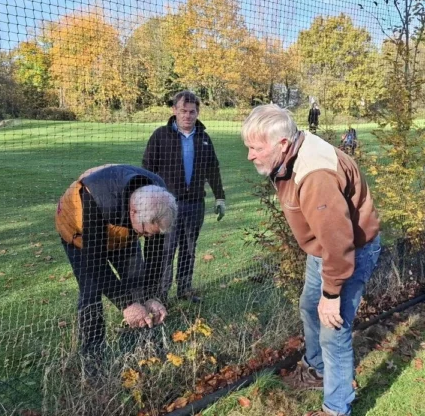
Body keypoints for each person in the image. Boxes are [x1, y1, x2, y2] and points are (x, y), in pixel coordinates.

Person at [241, 105, 381, 416]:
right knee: (308, 306)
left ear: (282, 144)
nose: (250, 155)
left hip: (347, 253)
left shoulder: (315, 174)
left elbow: (339, 242)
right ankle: (317, 370)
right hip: (323, 250)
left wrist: (331, 295)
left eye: (255, 148)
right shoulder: (289, 155)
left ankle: (336, 407)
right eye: (248, 147)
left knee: (334, 327)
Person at [55, 164, 178, 360]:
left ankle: (147, 349)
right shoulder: (95, 198)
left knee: (136, 280)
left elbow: (155, 253)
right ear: (134, 212)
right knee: (91, 293)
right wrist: (127, 304)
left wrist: (151, 295)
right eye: (145, 232)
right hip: (80, 235)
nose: (146, 236)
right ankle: (92, 355)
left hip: (121, 232)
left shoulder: (158, 200)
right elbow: (95, 263)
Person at [143, 90, 226, 303]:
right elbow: (147, 169)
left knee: (189, 248)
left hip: (195, 204)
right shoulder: (160, 136)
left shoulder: (204, 138)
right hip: (168, 205)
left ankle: (185, 289)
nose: (187, 116)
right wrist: (148, 202)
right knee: (166, 250)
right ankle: (160, 294)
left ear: (197, 112)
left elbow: (213, 169)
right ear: (174, 111)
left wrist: (220, 197)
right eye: (183, 111)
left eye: (192, 112)